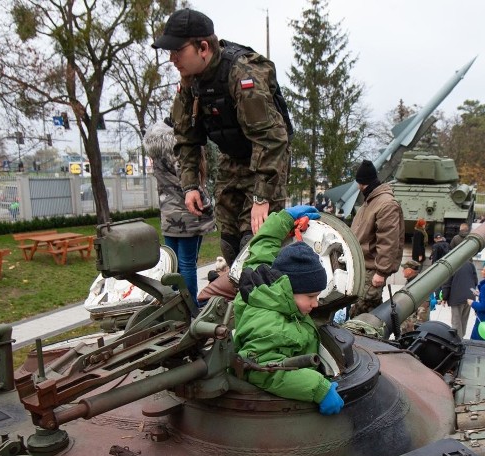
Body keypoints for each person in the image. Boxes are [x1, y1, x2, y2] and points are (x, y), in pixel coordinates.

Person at [154, 8, 292, 266]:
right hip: (232, 160)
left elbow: (272, 139)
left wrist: (262, 197)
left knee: (256, 244)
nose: (172, 58)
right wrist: (191, 185)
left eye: (177, 50)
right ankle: (237, 298)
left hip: (265, 161)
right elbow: (186, 137)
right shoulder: (190, 82)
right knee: (230, 245)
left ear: (203, 47)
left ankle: (267, 299)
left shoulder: (242, 74)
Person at [232, 205, 343, 415]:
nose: (316, 303)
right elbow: (260, 371)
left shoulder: (260, 285)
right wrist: (319, 388)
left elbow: (261, 249)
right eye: (310, 297)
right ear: (288, 289)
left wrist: (283, 219)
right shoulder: (271, 328)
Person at [144, 120, 216, 306]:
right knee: (187, 264)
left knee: (172, 266)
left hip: (168, 215)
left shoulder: (155, 149)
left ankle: (174, 306)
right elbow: (189, 183)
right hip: (188, 215)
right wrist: (209, 206)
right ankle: (190, 307)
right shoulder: (181, 148)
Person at [349, 160, 404, 317]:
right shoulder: (371, 201)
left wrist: (381, 272)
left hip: (371, 272)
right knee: (367, 314)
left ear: (361, 183)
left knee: (363, 317)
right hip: (362, 269)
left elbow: (388, 241)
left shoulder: (385, 204)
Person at [441, 235, 478, 338]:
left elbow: (447, 283)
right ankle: (462, 337)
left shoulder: (452, 265)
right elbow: (475, 281)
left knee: (456, 322)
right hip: (470, 296)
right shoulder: (470, 264)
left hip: (457, 297)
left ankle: (458, 341)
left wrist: (444, 297)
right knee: (464, 320)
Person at [399, 260, 429, 334]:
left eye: (404, 269)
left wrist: (419, 327)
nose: (402, 271)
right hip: (407, 322)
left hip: (413, 327)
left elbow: (424, 308)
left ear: (409, 271)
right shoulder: (410, 281)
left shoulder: (420, 284)